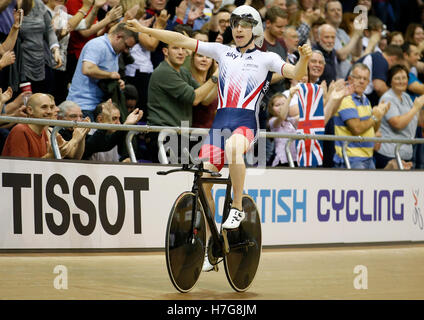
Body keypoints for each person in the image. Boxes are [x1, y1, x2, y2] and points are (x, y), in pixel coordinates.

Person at [126, 4, 312, 271]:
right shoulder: (222, 52)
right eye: (235, 25)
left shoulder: (266, 58)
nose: (238, 29)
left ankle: (237, 205)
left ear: (255, 30)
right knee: (203, 182)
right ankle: (212, 244)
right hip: (219, 124)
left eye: (245, 25)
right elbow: (181, 40)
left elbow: (295, 74)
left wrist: (304, 58)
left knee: (236, 149)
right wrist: (145, 29)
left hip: (245, 122)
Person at [143, 30, 218, 163]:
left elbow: (205, 99)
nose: (181, 52)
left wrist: (219, 78)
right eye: (175, 48)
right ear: (165, 52)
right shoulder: (164, 72)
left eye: (184, 48)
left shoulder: (183, 72)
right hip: (163, 136)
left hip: (179, 136)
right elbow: (195, 99)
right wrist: (216, 76)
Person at [67, 23, 138, 120]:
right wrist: (110, 75)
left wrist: (117, 83)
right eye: (126, 46)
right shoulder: (97, 45)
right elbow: (87, 69)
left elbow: (106, 77)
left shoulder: (114, 53)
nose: (126, 51)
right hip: (83, 107)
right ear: (118, 37)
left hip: (99, 107)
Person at [333, 63, 390, 169]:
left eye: (365, 79)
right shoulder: (346, 99)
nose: (362, 81)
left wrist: (379, 115)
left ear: (368, 82)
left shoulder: (365, 100)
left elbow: (373, 129)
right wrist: (374, 117)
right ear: (350, 79)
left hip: (367, 158)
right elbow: (356, 128)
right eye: (358, 77)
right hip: (351, 159)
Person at [374, 64, 424, 169]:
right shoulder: (388, 98)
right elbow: (397, 124)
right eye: (397, 78)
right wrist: (415, 108)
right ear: (390, 81)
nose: (401, 81)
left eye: (404, 78)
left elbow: (418, 122)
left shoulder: (406, 97)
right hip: (389, 153)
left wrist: (419, 108)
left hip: (406, 152)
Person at [1, 93, 55, 158]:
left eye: (51, 107)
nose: (49, 111)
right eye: (44, 107)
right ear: (30, 110)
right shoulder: (20, 131)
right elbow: (20, 166)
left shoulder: (43, 132)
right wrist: (49, 157)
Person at [267, 89, 298, 167]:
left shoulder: (291, 121)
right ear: (271, 109)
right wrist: (290, 97)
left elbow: (305, 117)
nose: (281, 107)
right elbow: (282, 116)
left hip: (295, 159)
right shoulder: (272, 121)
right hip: (282, 161)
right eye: (277, 105)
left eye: (284, 104)